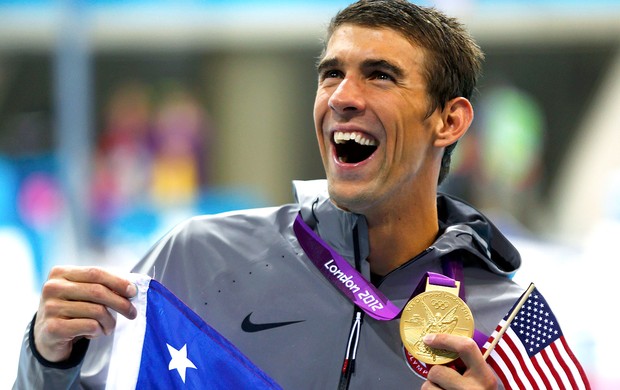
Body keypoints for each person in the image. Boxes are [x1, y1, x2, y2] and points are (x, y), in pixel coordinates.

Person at [14, 1, 563, 388]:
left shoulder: (512, 328)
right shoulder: (196, 257)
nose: (343, 97)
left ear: (449, 120)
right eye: (331, 75)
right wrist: (47, 357)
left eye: (380, 76)